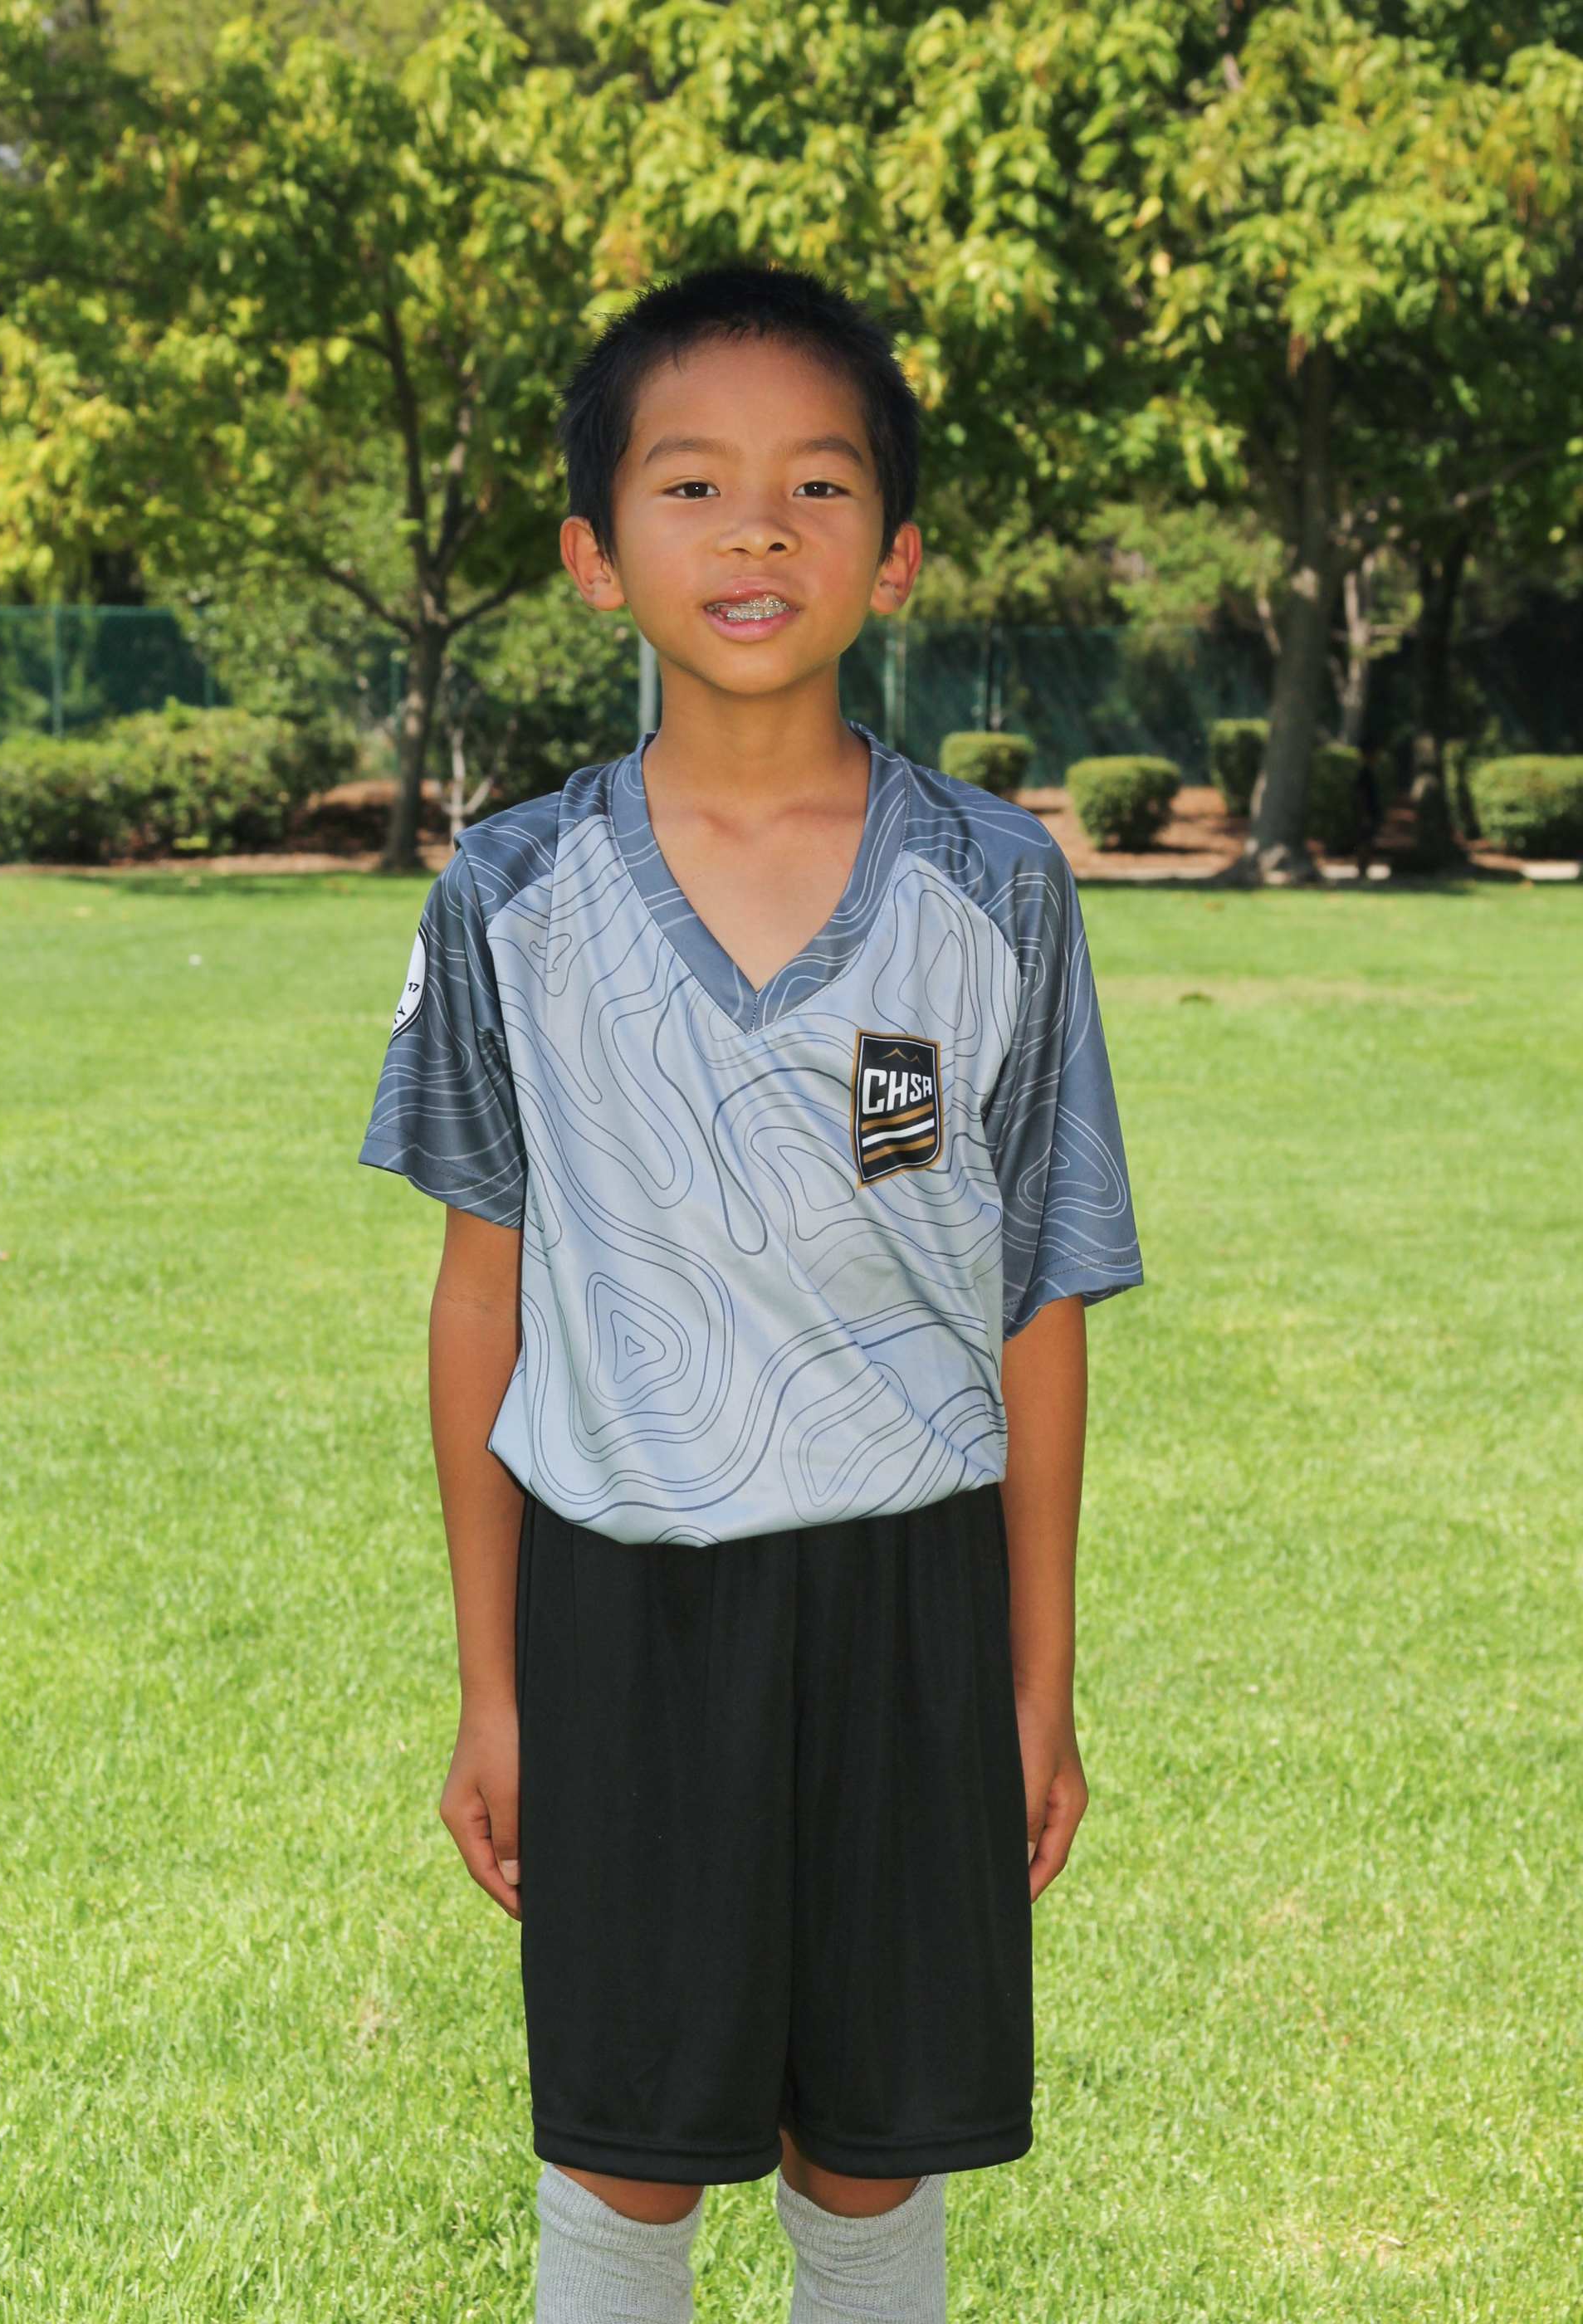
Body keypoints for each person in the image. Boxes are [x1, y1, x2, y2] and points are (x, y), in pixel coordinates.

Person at [360, 266, 1142, 2324]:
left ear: (895, 555)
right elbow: (477, 1298)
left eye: (817, 485)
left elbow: (1040, 1294)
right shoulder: (513, 891)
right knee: (624, 2148)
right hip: (622, 1598)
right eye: (692, 483)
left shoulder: (995, 881)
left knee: (870, 2147)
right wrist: (493, 1685)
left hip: (910, 1592)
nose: (757, 531)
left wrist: (1036, 1675)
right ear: (593, 553)